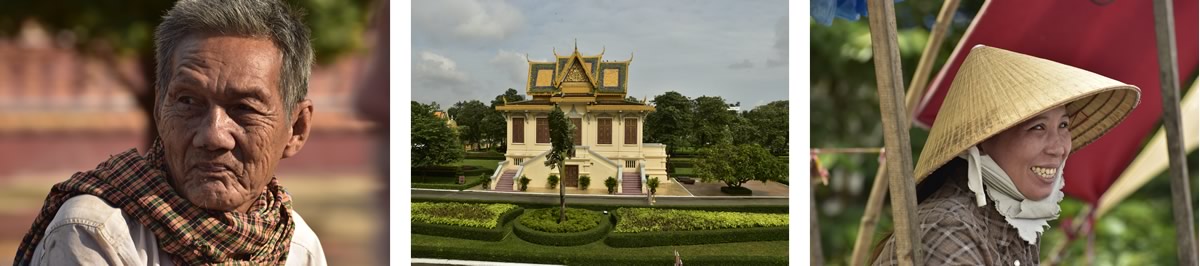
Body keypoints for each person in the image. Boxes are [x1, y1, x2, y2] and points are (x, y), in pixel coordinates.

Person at [13, 0, 327, 265]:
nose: (213, 135)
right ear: (160, 109)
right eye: (188, 101)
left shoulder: (297, 246)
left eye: (244, 108)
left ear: (296, 129)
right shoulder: (96, 231)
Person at [872, 45, 1140, 265]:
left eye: (1063, 125)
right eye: (1037, 128)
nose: (1058, 148)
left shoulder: (1014, 222)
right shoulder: (948, 226)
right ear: (983, 139)